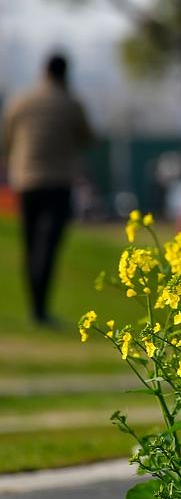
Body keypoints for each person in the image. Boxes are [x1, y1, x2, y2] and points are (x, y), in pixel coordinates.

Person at [1, 53, 94, 327]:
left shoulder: (20, 101)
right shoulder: (71, 104)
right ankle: (40, 310)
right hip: (58, 182)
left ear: (43, 72)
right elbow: (87, 137)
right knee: (48, 246)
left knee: (31, 244)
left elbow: (7, 139)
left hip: (25, 181)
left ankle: (35, 306)